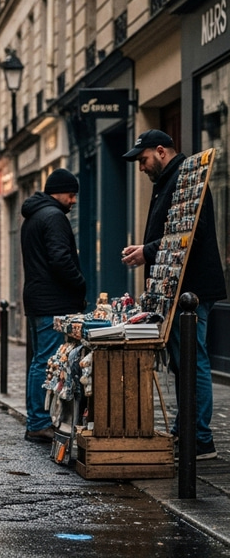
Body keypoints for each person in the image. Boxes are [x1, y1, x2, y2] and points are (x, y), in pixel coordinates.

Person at [122, 129, 226, 460]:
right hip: (179, 290)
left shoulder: (185, 179)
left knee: (193, 362)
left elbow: (191, 236)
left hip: (191, 290)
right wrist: (146, 249)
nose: (140, 166)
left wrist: (146, 252)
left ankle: (200, 439)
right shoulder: (170, 180)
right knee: (183, 364)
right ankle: (188, 430)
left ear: (161, 151)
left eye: (143, 159)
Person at [20, 167, 87, 444]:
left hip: (38, 298)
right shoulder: (54, 217)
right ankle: (38, 421)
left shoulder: (34, 216)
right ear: (57, 193)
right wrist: (79, 283)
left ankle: (37, 419)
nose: (73, 201)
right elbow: (60, 259)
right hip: (52, 300)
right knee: (46, 360)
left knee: (39, 360)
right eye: (71, 195)